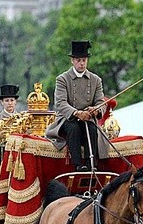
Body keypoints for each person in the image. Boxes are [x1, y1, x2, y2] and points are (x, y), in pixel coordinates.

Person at [45, 40, 113, 171]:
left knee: (92, 129)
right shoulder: (62, 79)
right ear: (72, 61)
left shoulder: (96, 80)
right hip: (67, 119)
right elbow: (60, 103)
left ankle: (90, 163)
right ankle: (77, 165)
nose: (81, 63)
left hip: (88, 118)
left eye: (84, 60)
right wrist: (76, 113)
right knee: (73, 128)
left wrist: (95, 110)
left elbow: (101, 102)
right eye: (78, 60)